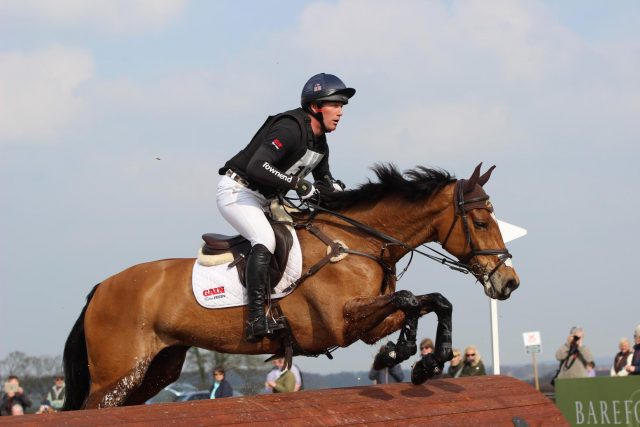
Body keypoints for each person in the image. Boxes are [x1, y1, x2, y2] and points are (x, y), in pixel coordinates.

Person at [217, 73, 355, 342]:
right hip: (238, 192)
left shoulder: (320, 142)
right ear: (316, 107)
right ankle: (256, 318)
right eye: (335, 105)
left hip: (266, 199)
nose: (340, 112)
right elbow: (258, 166)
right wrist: (297, 184)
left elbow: (324, 182)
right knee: (265, 239)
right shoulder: (291, 128)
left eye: (342, 106)